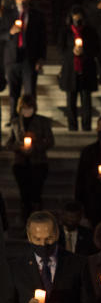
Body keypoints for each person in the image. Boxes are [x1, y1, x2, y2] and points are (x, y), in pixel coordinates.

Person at [6, 95, 54, 224]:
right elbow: (9, 143)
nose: (27, 110)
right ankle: (25, 221)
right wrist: (20, 147)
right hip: (21, 163)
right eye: (24, 108)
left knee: (36, 193)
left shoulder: (42, 121)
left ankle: (38, 220)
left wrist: (35, 146)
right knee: (24, 194)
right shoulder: (16, 122)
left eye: (29, 107)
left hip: (38, 162)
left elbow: (50, 141)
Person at [4, 0, 47, 128]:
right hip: (12, 59)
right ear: (15, 0)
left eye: (25, 0)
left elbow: (42, 39)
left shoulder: (37, 16)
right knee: (13, 92)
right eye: (20, 1)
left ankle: (31, 121)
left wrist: (41, 58)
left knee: (30, 92)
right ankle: (13, 119)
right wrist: (10, 33)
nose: (23, 3)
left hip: (29, 59)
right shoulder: (7, 15)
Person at [60, 6, 100, 133]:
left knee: (86, 100)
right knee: (71, 100)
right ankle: (72, 126)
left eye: (79, 18)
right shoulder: (66, 32)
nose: (77, 21)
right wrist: (72, 52)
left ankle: (86, 126)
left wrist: (85, 51)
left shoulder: (90, 31)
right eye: (75, 18)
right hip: (71, 69)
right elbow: (61, 49)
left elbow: (97, 49)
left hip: (86, 68)